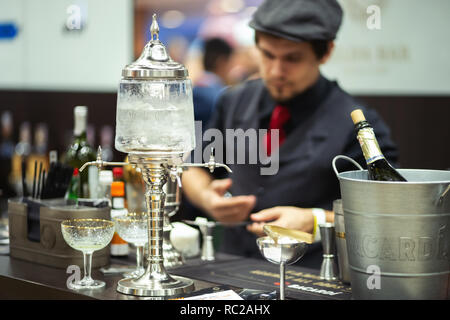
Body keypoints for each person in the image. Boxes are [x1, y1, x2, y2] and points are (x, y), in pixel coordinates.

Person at [181, 0, 399, 268]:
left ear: (325, 52)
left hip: (311, 274)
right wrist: (207, 198)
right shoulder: (234, 101)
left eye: (292, 59)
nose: (275, 71)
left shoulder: (356, 123)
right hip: (232, 264)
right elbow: (193, 167)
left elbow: (386, 212)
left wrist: (317, 220)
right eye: (267, 55)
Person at [192, 37, 234, 126]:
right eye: (231, 63)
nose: (232, 69)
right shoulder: (220, 96)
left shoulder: (195, 88)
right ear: (221, 62)